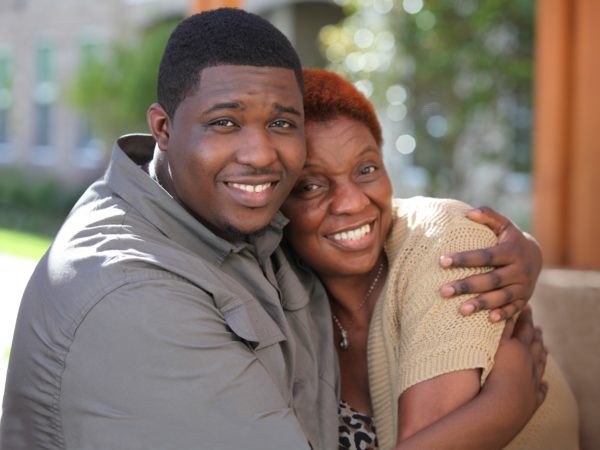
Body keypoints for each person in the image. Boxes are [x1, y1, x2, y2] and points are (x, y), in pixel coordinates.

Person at [0, 8, 544, 450]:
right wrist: (500, 411)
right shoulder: (134, 295)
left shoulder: (228, 218)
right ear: (163, 128)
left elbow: (378, 213)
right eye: (224, 122)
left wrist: (519, 249)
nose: (261, 155)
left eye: (282, 123)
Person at [280, 67, 580, 450]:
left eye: (367, 169)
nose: (353, 202)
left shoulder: (446, 242)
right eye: (310, 186)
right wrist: (503, 409)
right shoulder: (273, 289)